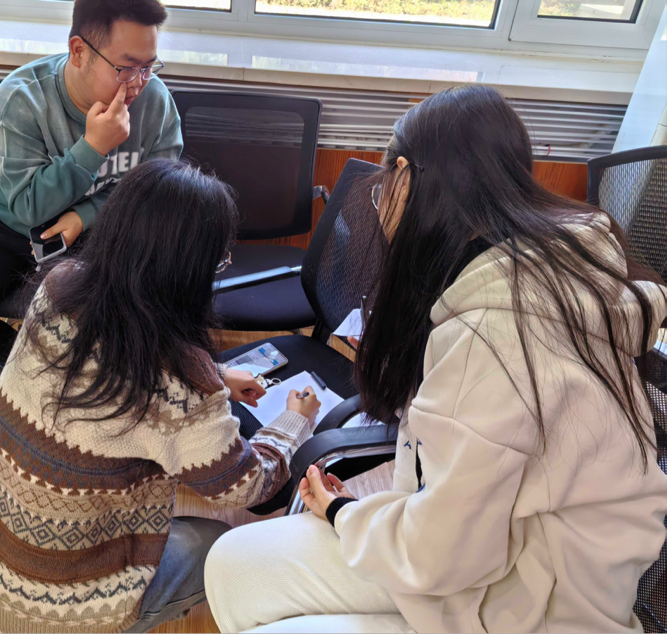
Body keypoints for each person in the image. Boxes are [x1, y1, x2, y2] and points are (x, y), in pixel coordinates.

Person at [205, 84, 667, 633]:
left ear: (404, 178)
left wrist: (344, 513)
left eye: (384, 185)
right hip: (499, 553)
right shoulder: (544, 270)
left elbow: (442, 557)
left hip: (532, 606)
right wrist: (372, 514)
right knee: (234, 565)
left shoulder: (492, 337)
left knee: (254, 596)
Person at [0, 159, 322, 634]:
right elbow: (249, 487)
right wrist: (295, 420)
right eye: (218, 262)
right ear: (190, 272)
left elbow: (114, 368)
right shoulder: (181, 382)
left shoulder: (58, 288)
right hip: (56, 616)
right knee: (221, 544)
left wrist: (217, 374)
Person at [0, 0, 182, 367]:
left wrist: (86, 215)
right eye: (126, 68)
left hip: (103, 229)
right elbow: (28, 208)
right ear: (79, 51)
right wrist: (93, 147)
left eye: (148, 67)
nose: (138, 83)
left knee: (145, 308)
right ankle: (34, 364)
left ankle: (88, 365)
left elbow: (158, 189)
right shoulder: (22, 98)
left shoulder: (155, 101)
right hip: (10, 224)